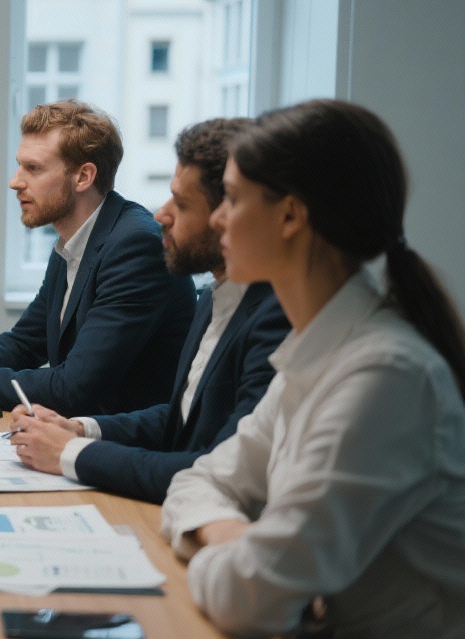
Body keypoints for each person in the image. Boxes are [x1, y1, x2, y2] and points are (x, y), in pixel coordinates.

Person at [160, 99, 465, 637]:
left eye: (231, 198)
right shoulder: (320, 349)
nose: (216, 218)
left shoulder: (386, 377)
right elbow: (199, 478)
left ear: (291, 215)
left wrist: (231, 551)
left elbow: (250, 599)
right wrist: (232, 534)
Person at [7, 118, 290, 503]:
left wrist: (69, 452)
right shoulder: (213, 297)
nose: (162, 215)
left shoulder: (276, 317)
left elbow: (213, 468)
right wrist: (80, 430)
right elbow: (179, 420)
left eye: (183, 203)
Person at [0, 99, 195, 416]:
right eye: (19, 165)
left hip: (124, 445)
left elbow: (74, 387)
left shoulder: (135, 247)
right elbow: (25, 343)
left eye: (34, 168)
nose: (15, 182)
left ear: (83, 177)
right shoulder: (76, 237)